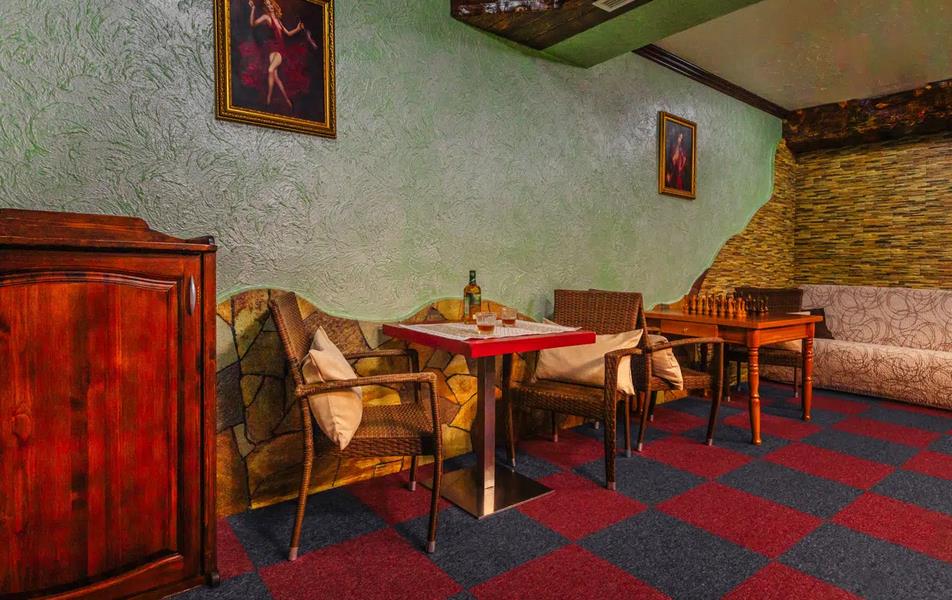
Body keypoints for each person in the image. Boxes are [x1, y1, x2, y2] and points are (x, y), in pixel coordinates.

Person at [247, 0, 319, 110]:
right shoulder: (266, 18)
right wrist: (253, 9)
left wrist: (298, 29)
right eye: (267, 5)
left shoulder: (279, 21)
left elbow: (288, 34)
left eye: (270, 4)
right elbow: (252, 24)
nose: (269, 6)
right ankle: (286, 99)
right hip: (271, 49)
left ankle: (268, 98)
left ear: (273, 5)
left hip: (280, 50)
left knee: (271, 70)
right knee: (275, 77)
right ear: (266, 7)